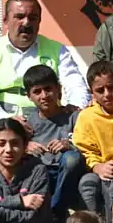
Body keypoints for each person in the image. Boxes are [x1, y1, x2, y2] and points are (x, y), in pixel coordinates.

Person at [0, 0, 91, 166]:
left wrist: (75, 108)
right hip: (7, 117)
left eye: (32, 17)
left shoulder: (57, 49)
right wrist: (8, 120)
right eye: (19, 17)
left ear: (39, 21)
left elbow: (76, 83)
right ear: (6, 20)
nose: (26, 23)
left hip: (48, 117)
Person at [74, 61, 113, 215]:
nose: (107, 94)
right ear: (92, 92)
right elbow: (84, 149)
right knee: (87, 183)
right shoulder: (86, 116)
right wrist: (97, 166)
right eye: (100, 90)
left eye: (111, 87)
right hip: (101, 168)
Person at [22, 64, 85, 214]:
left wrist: (69, 145)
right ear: (29, 96)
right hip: (42, 175)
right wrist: (26, 146)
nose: (44, 96)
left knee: (71, 158)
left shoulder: (74, 116)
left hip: (69, 173)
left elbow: (88, 145)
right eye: (37, 92)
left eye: (48, 89)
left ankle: (54, 210)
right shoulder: (26, 124)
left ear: (58, 89)